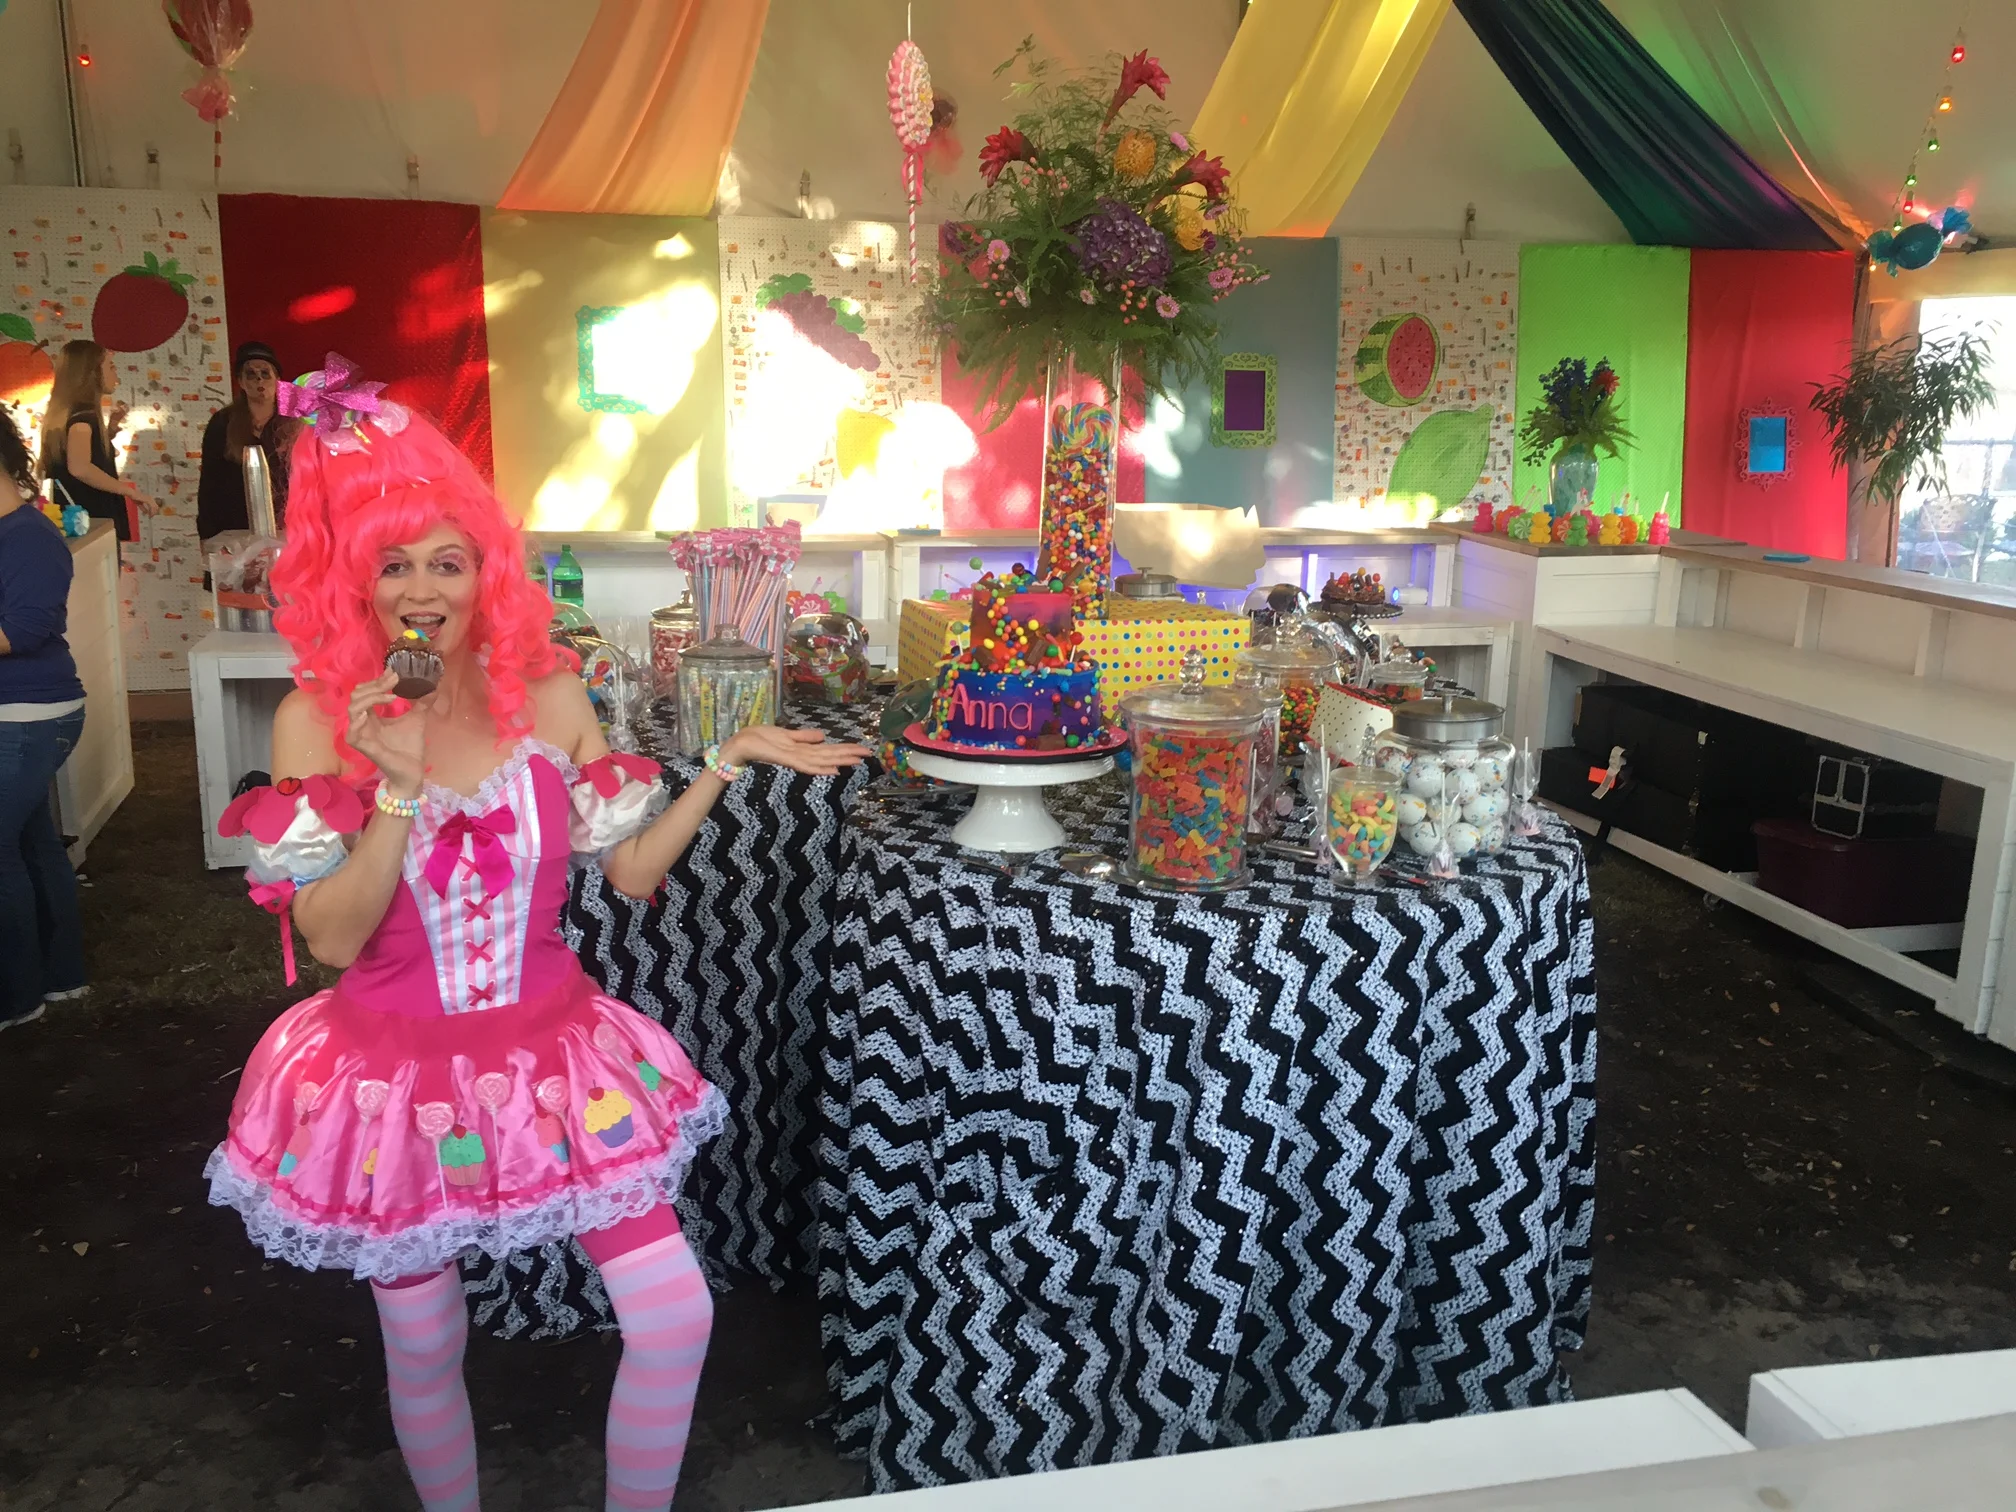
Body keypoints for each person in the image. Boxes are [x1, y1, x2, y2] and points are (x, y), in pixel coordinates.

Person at [202, 361, 869, 1512]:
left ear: (483, 576)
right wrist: (396, 790)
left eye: (445, 563)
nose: (423, 588)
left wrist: (722, 763)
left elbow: (628, 871)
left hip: (555, 1062)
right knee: (425, 1341)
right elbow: (327, 939)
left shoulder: (551, 702)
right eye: (393, 565)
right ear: (357, 585)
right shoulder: (323, 719)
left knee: (672, 1313)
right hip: (390, 1082)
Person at [0, 408, 89, 1032]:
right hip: (24, 714)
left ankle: (17, 995)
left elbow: (28, 628)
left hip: (30, 716)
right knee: (32, 843)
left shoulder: (29, 536)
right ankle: (60, 976)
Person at [40, 340, 155, 543]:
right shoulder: (83, 419)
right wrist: (131, 492)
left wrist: (108, 431)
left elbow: (79, 455)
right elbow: (79, 467)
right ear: (91, 373)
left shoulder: (70, 415)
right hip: (91, 524)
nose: (115, 375)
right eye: (110, 367)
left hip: (75, 524)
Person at [197, 341, 299, 543]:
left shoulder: (294, 423)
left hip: (287, 524)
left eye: (265, 373)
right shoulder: (222, 423)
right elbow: (210, 483)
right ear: (241, 383)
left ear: (278, 379)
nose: (259, 379)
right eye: (251, 374)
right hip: (234, 527)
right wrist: (207, 535)